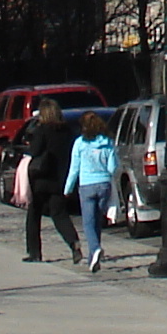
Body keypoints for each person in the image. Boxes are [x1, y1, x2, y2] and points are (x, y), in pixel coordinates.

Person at [20, 102, 82, 264]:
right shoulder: (67, 131)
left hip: (41, 179)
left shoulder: (42, 130)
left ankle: (35, 252)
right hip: (60, 179)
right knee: (60, 215)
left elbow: (34, 151)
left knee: (34, 214)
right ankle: (73, 243)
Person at [65, 110, 114, 271]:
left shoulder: (79, 143)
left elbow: (74, 168)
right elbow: (113, 167)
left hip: (86, 185)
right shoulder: (107, 142)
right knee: (97, 222)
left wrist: (68, 188)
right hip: (104, 184)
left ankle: (95, 249)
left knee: (88, 223)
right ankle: (94, 257)